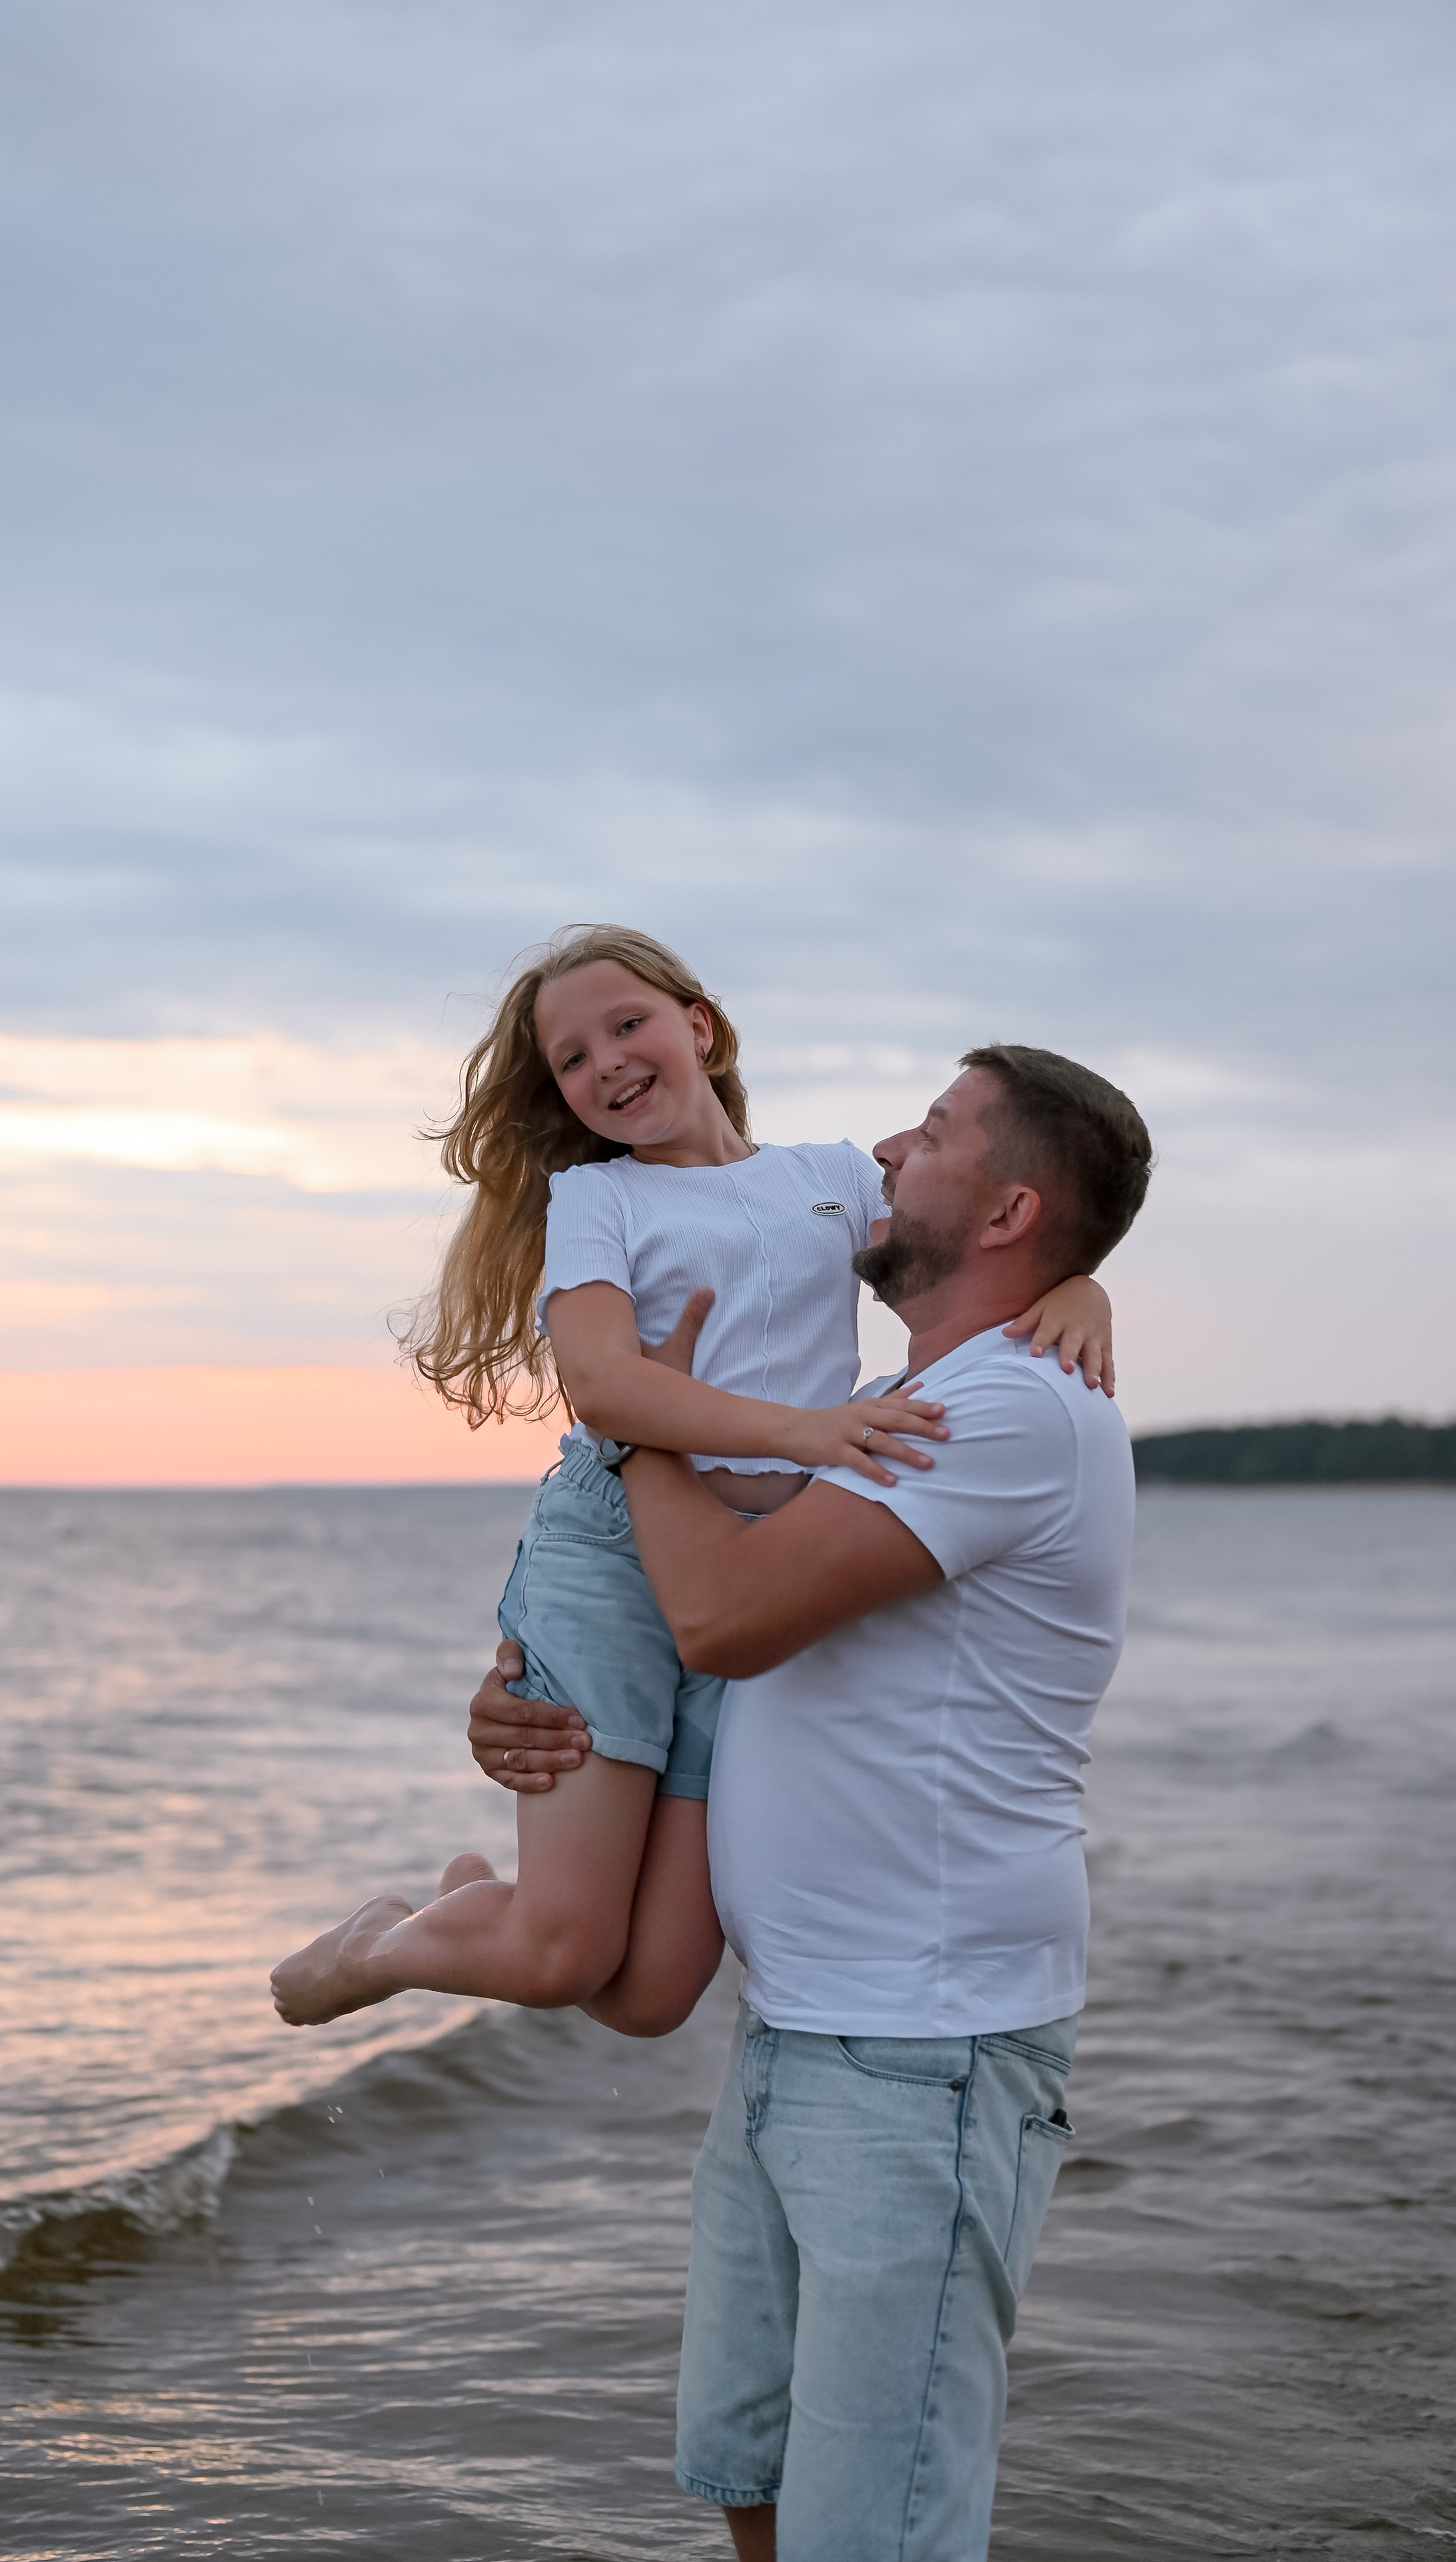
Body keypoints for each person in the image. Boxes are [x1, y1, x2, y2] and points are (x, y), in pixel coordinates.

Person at [465, 1043, 1152, 2562]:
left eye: (939, 1127)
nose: (889, 1142)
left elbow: (720, 1615)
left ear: (1008, 1209)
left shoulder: (1010, 1410)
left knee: (877, 2523)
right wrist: (533, 1699)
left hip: (924, 2049)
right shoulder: (905, 1395)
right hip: (807, 2029)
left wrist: (635, 1411)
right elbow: (690, 1645)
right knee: (755, 2468)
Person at [271, 928, 1113, 2037]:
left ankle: (473, 1903)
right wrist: (806, 1433)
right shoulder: (599, 1202)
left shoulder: (827, 1178)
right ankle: (385, 1942)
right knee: (563, 1952)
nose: (606, 1062)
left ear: (699, 1028)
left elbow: (977, 1240)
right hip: (617, 1550)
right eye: (572, 1059)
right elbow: (605, 1387)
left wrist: (1087, 1288)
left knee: (653, 1993)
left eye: (628, 1026)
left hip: (749, 1568)